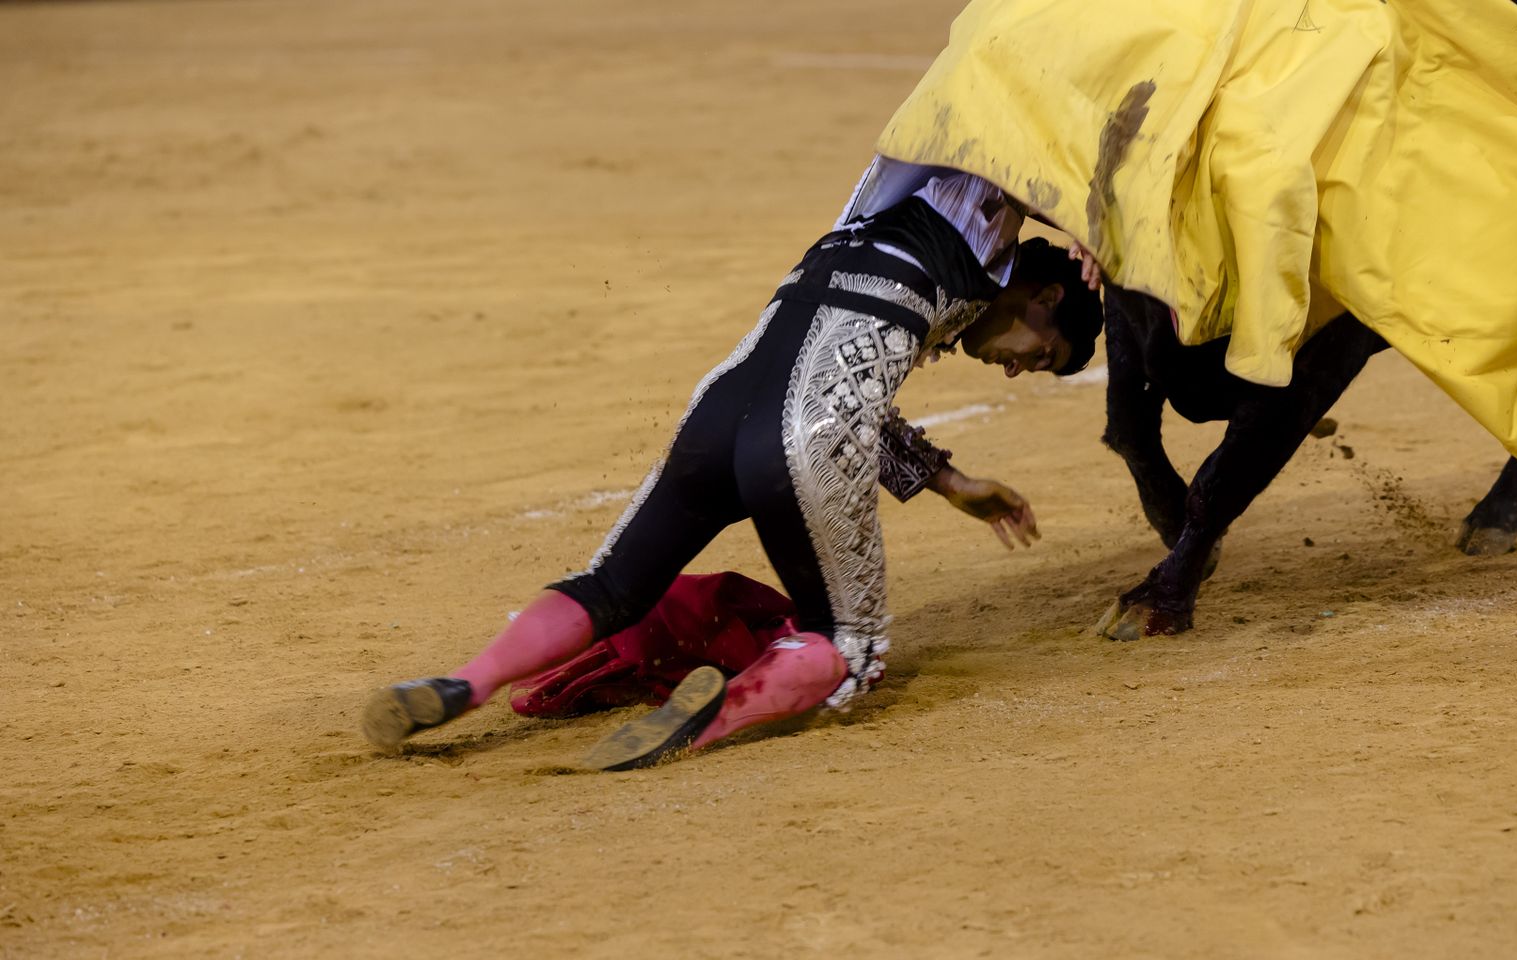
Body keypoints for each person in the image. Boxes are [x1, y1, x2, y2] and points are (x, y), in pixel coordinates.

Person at [362, 156, 1105, 767]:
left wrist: (948, 483)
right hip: (811, 436)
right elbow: (1011, 141)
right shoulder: (978, 213)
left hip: (718, 411)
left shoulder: (879, 213)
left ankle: (467, 682)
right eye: (1043, 354)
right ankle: (709, 719)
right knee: (849, 646)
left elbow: (840, 384)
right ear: (1043, 294)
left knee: (613, 585)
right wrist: (1096, 229)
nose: (1018, 369)